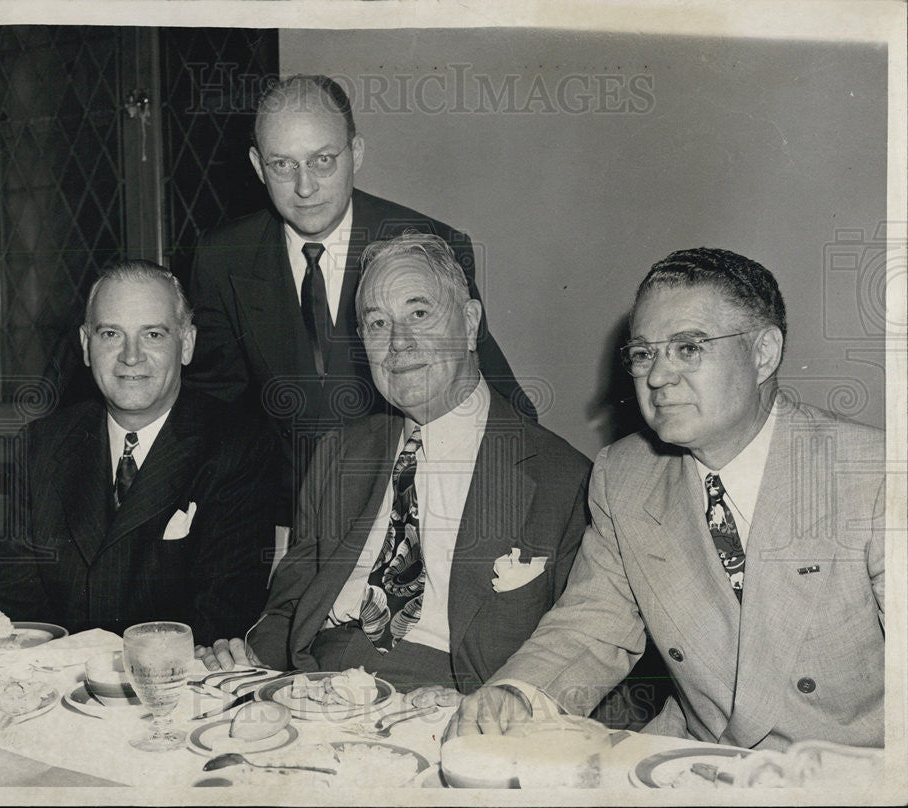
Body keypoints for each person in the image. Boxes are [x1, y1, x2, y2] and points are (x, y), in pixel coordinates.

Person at [445, 247, 885, 750]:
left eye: (688, 348)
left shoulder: (873, 476)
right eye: (643, 353)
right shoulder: (626, 474)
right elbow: (594, 625)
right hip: (697, 760)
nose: (657, 377)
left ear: (763, 353)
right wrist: (521, 694)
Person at [194, 233, 590, 695]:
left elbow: (581, 655)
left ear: (469, 323)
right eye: (378, 323)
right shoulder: (338, 455)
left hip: (455, 702)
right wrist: (246, 656)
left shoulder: (563, 479)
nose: (398, 344)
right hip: (314, 688)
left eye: (419, 314)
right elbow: (290, 606)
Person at [186, 74, 533, 526]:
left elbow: (504, 401)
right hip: (284, 520)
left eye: (323, 160)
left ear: (357, 153)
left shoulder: (428, 243)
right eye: (283, 165)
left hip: (415, 510)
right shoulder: (221, 258)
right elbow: (214, 412)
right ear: (256, 165)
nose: (305, 187)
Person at [0, 261, 277, 646]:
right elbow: (13, 611)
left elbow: (220, 623)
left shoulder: (238, 446)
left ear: (186, 344)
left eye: (153, 334)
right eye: (111, 334)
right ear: (86, 345)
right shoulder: (41, 444)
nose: (130, 356)